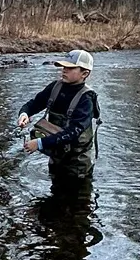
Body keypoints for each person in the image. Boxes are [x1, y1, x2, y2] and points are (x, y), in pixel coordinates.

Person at [17, 49, 100, 182]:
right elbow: (34, 104)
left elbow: (73, 133)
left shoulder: (86, 99)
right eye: (63, 66)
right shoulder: (55, 87)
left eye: (70, 68)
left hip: (77, 165)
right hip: (56, 156)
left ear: (85, 73)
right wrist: (24, 114)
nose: (64, 70)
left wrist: (39, 143)